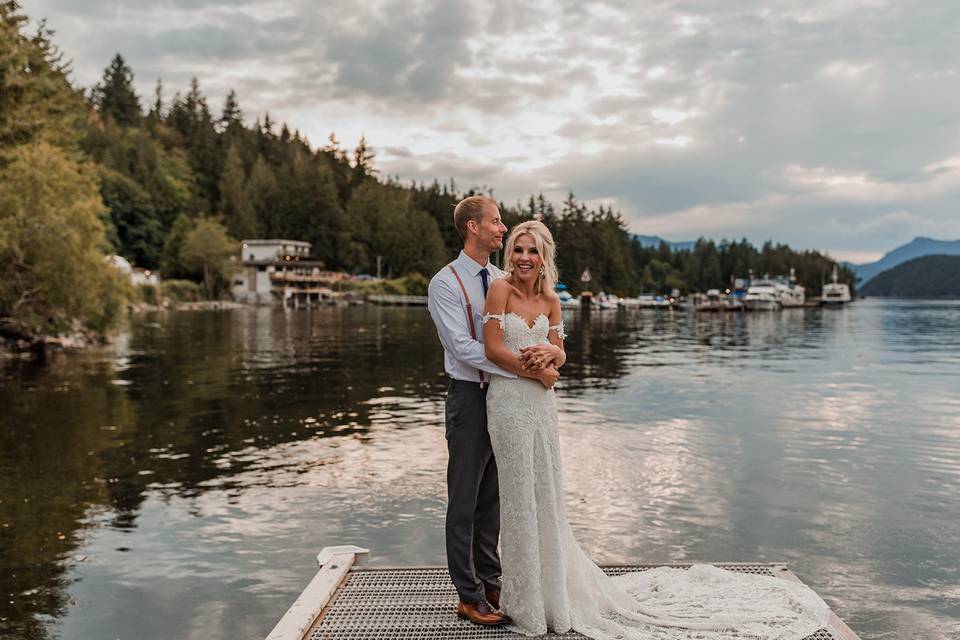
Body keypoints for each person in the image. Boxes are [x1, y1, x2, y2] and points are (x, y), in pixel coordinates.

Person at [481, 220, 831, 639]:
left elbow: (563, 354)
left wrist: (553, 355)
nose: (523, 258)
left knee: (548, 496)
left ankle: (553, 595)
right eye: (518, 249)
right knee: (519, 498)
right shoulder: (499, 289)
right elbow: (492, 347)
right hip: (510, 403)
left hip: (542, 405)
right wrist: (534, 372)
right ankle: (526, 602)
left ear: (544, 258)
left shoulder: (553, 299)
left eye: (532, 251)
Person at [427, 197, 561, 627]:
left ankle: (490, 581)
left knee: (493, 501)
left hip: (506, 401)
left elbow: (529, 327)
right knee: (464, 499)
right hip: (470, 396)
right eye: (496, 222)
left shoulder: (504, 279)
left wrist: (548, 358)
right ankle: (467, 596)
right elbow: (463, 348)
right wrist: (530, 369)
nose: (502, 229)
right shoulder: (445, 283)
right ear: (473, 227)